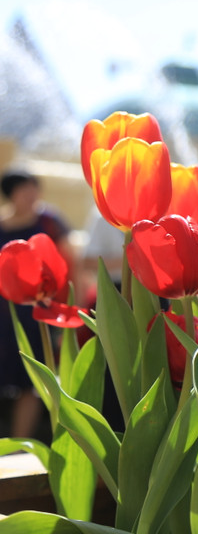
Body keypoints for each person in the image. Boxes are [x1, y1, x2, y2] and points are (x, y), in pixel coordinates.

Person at [0, 169, 75, 438]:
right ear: (10, 195)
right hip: (5, 313)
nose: (31, 195)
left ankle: (21, 443)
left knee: (31, 378)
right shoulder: (2, 225)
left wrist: (70, 303)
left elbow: (68, 263)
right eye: (24, 190)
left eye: (34, 188)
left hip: (40, 310)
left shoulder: (49, 220)